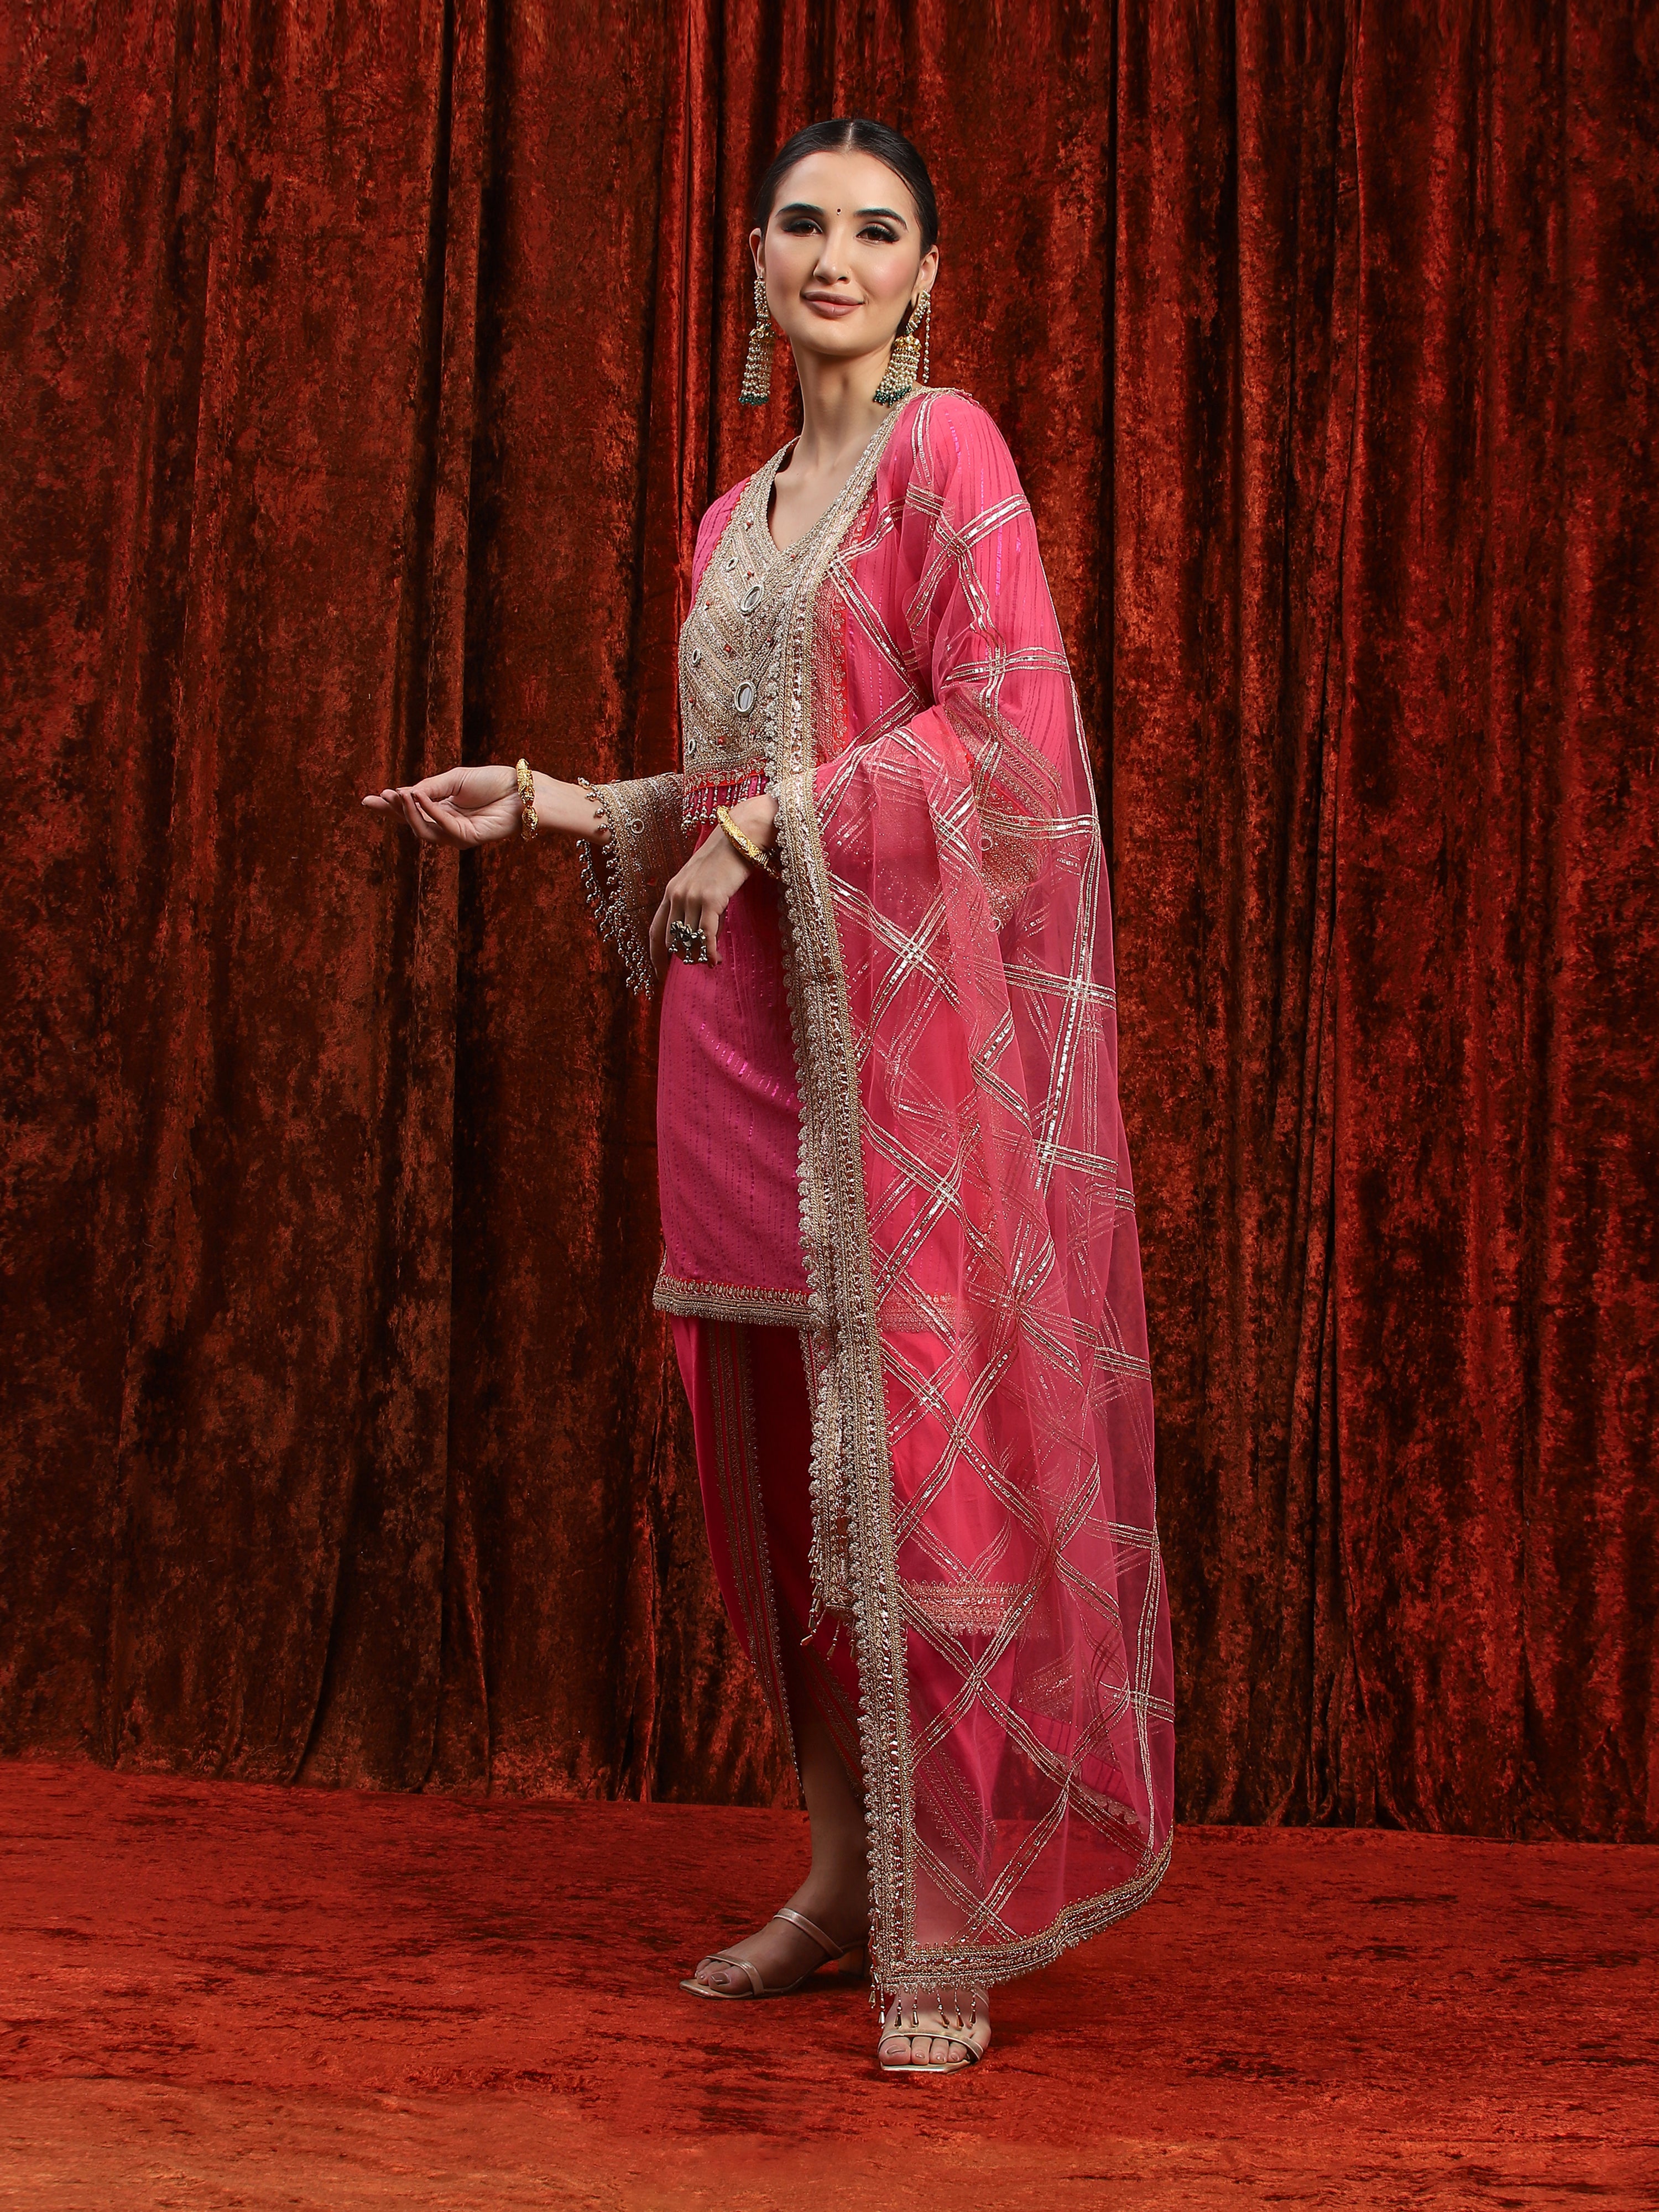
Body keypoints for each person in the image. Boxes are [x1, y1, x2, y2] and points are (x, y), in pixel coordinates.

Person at [363, 116, 1174, 2077]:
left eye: (876, 230)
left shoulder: (944, 455)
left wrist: (769, 827)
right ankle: (836, 1880)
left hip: (899, 1059)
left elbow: (1003, 740)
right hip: (730, 1048)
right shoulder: (733, 519)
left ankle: (949, 1914)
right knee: (780, 1473)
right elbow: (725, 791)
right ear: (754, 258)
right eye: (802, 222)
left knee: (919, 1477)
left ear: (925, 278)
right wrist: (554, 804)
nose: (834, 255)